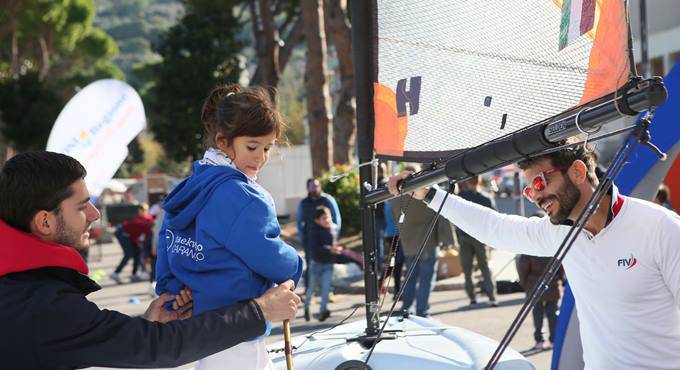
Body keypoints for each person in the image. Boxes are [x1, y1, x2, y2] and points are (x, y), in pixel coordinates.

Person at [387, 144, 680, 370]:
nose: (536, 197)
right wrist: (429, 194)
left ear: (577, 172)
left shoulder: (660, 228)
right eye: (529, 191)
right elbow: (494, 227)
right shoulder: (559, 231)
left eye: (539, 183)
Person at [0, 151, 301, 370]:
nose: (95, 214)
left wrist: (145, 324)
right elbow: (158, 348)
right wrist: (259, 310)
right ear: (44, 222)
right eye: (82, 207)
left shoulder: (22, 286)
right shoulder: (42, 305)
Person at [155, 84, 304, 370]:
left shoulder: (189, 187)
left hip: (204, 325)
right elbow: (266, 251)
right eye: (252, 147)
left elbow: (168, 238)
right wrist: (295, 266)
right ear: (223, 141)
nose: (260, 157)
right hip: (238, 324)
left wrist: (173, 286)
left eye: (267, 148)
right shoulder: (240, 196)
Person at [389, 166, 456, 317]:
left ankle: (407, 307)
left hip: (408, 242)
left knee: (410, 277)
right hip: (428, 241)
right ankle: (422, 310)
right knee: (426, 278)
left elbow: (395, 216)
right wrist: (448, 239)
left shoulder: (397, 195)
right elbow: (441, 213)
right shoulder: (424, 190)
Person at [456, 176, 498, 307]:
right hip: (481, 236)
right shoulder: (486, 198)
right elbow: (494, 219)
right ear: (479, 181)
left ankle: (472, 298)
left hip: (464, 236)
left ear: (467, 182)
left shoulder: (461, 198)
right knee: (485, 267)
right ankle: (491, 296)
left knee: (467, 269)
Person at [517, 241, 564, 350]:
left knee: (537, 313)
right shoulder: (552, 246)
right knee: (552, 313)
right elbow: (560, 267)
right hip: (552, 283)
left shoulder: (529, 247)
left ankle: (539, 340)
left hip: (534, 285)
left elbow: (522, 268)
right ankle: (553, 340)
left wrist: (524, 284)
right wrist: (561, 279)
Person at [297, 178, 341, 292]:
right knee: (311, 264)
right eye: (312, 186)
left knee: (328, 264)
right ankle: (309, 290)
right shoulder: (303, 203)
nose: (315, 188)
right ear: (307, 188)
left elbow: (336, 218)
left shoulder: (328, 200)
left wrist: (334, 235)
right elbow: (299, 221)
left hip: (327, 238)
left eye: (316, 186)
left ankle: (327, 290)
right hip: (311, 239)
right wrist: (303, 237)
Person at [304, 206, 343, 322]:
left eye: (329, 217)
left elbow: (335, 244)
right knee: (311, 289)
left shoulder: (334, 229)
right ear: (317, 221)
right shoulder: (313, 231)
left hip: (328, 264)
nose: (328, 220)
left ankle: (323, 311)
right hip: (316, 264)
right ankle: (306, 306)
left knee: (326, 289)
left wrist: (337, 249)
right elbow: (314, 249)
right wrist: (329, 249)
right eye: (324, 218)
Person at [110, 203, 154, 283]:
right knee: (129, 254)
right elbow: (138, 237)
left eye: (145, 210)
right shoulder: (144, 222)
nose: (144, 211)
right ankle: (115, 273)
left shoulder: (147, 220)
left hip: (127, 234)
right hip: (122, 233)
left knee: (137, 253)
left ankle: (133, 274)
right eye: (142, 210)